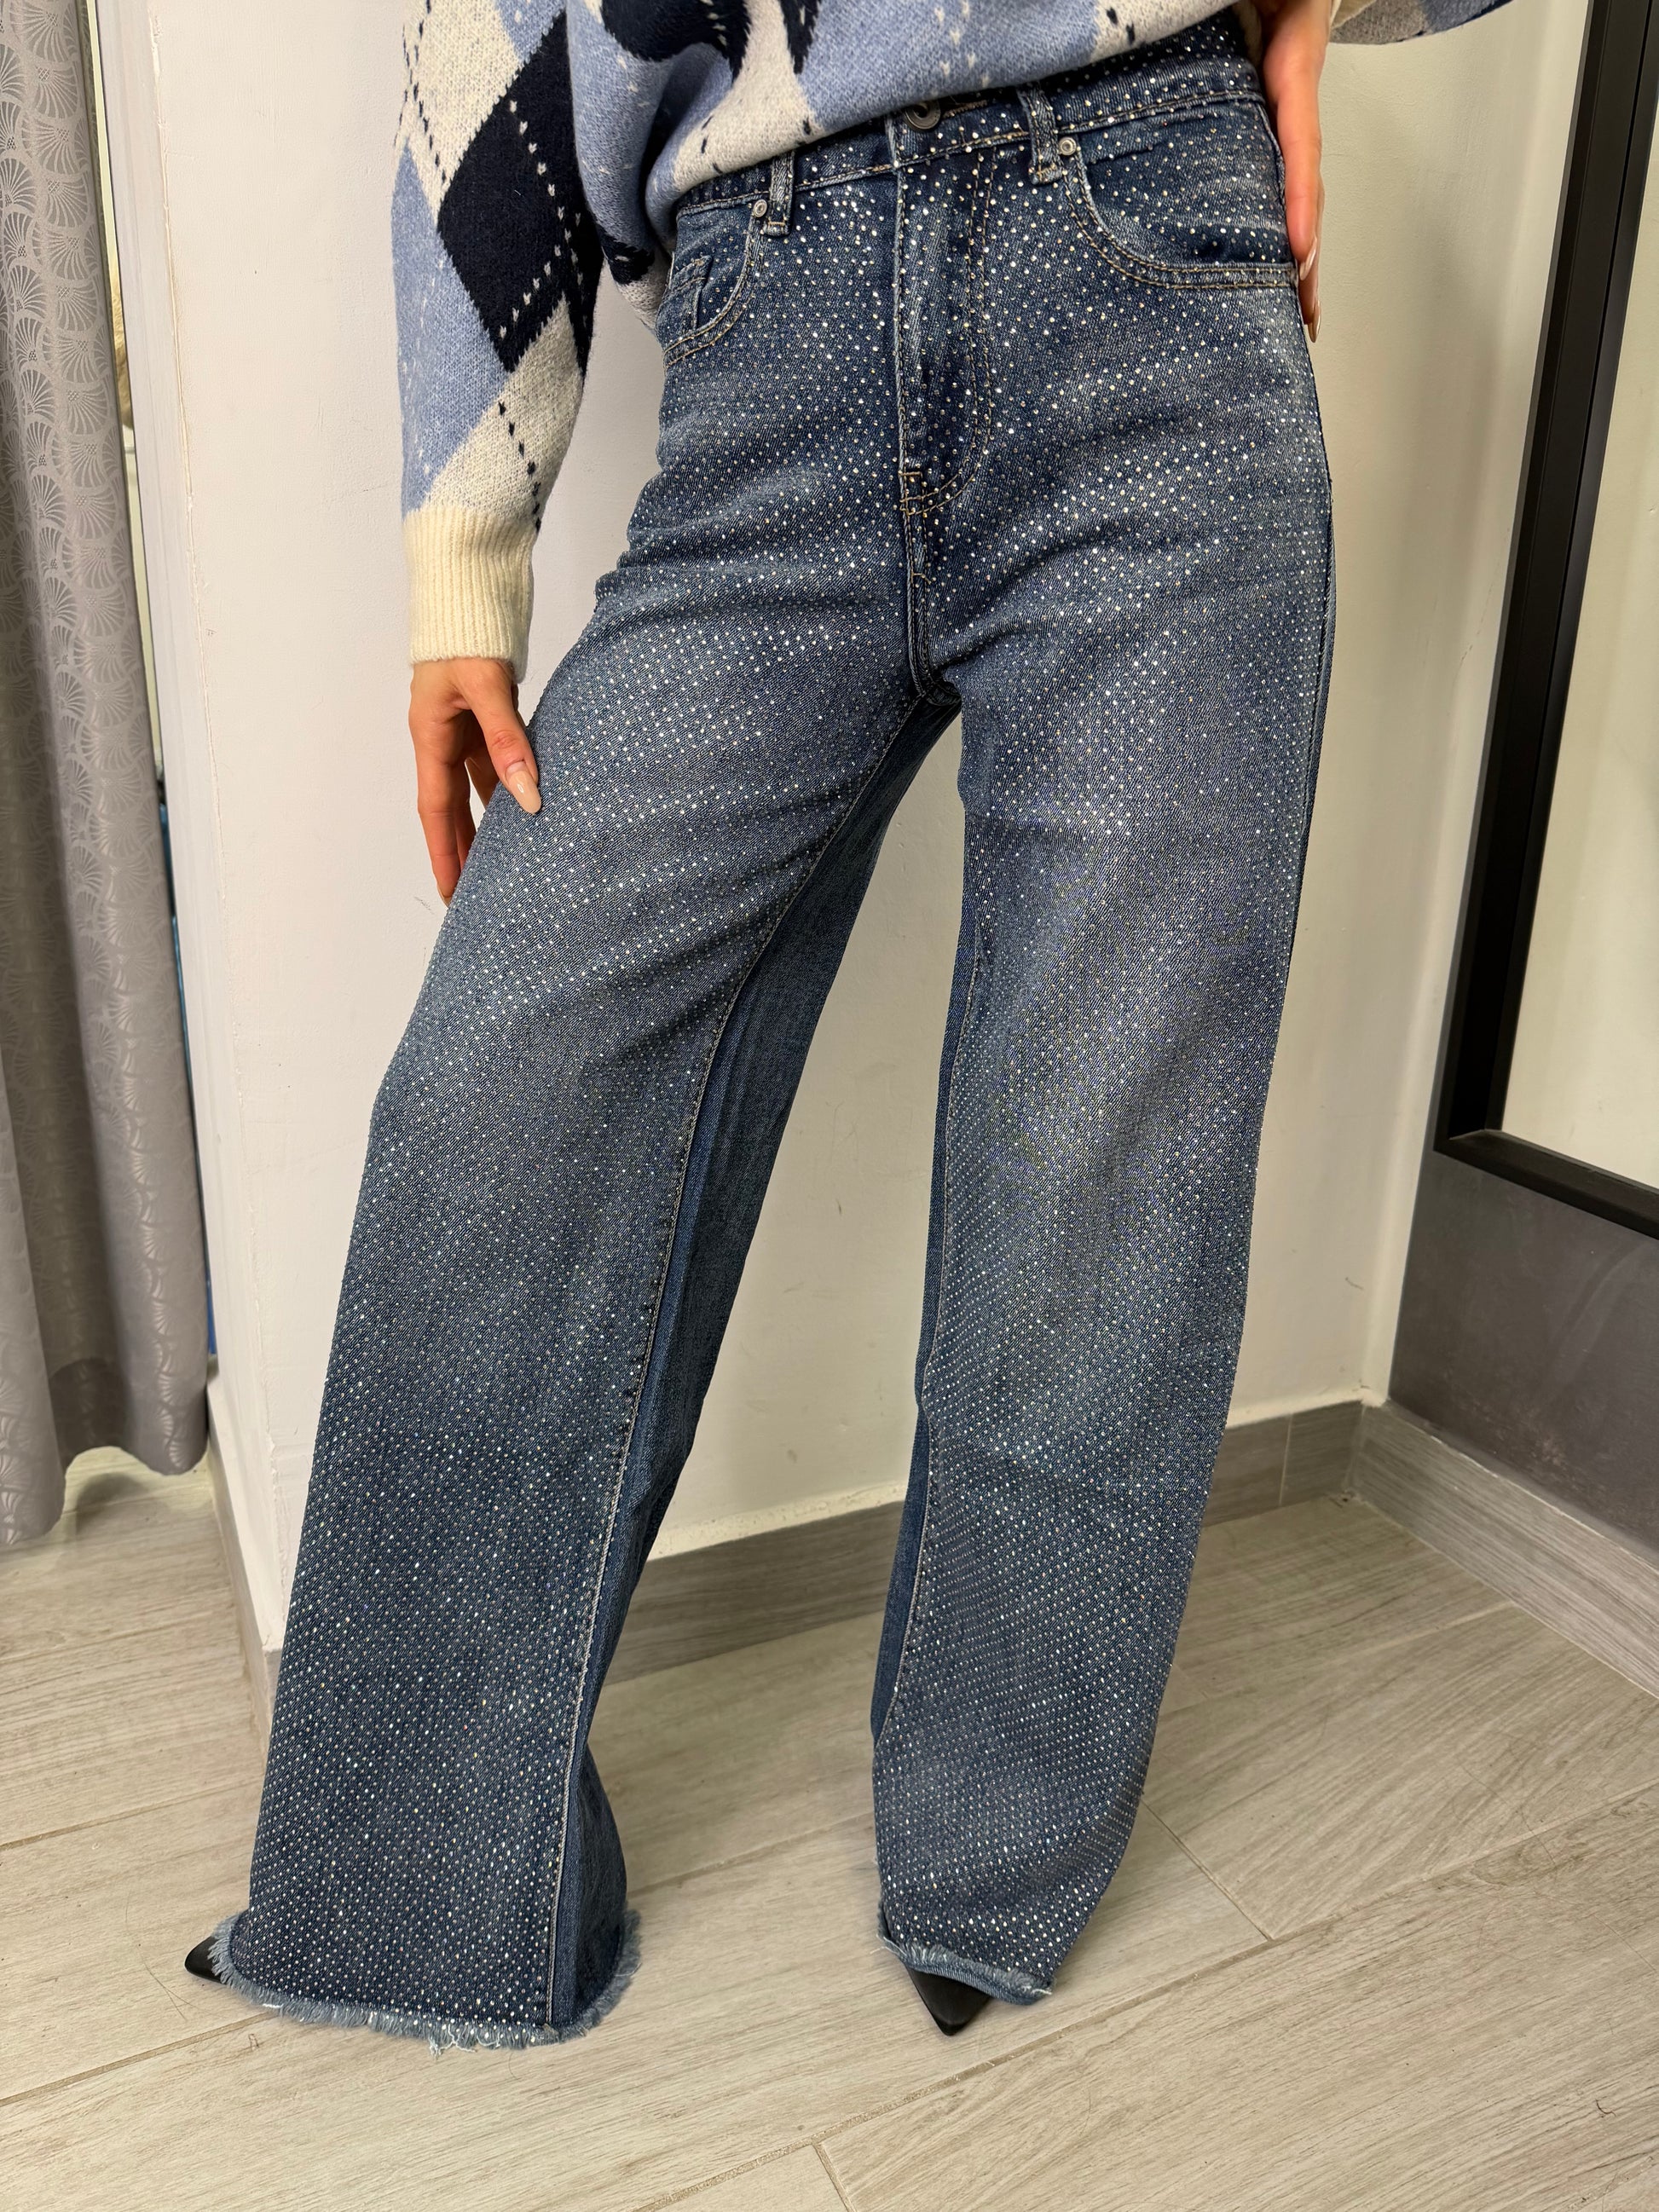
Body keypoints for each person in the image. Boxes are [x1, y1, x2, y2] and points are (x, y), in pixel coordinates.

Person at [189, 0, 1516, 2047]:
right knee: (503, 1089)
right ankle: (412, 1893)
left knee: (1100, 1156)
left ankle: (991, 1859)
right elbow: (494, 30)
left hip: (1158, 282)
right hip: (765, 331)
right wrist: (463, 553)